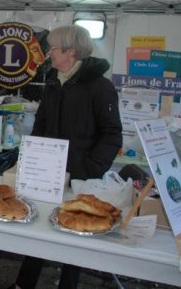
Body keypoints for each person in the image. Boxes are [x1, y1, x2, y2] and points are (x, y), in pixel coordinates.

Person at [10, 25, 122, 289]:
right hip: (48, 173)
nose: (49, 53)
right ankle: (23, 284)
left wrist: (90, 169)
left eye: (54, 48)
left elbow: (112, 134)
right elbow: (40, 124)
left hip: (81, 177)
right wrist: (31, 158)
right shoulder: (52, 83)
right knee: (39, 228)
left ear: (71, 51)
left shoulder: (100, 87)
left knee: (75, 232)